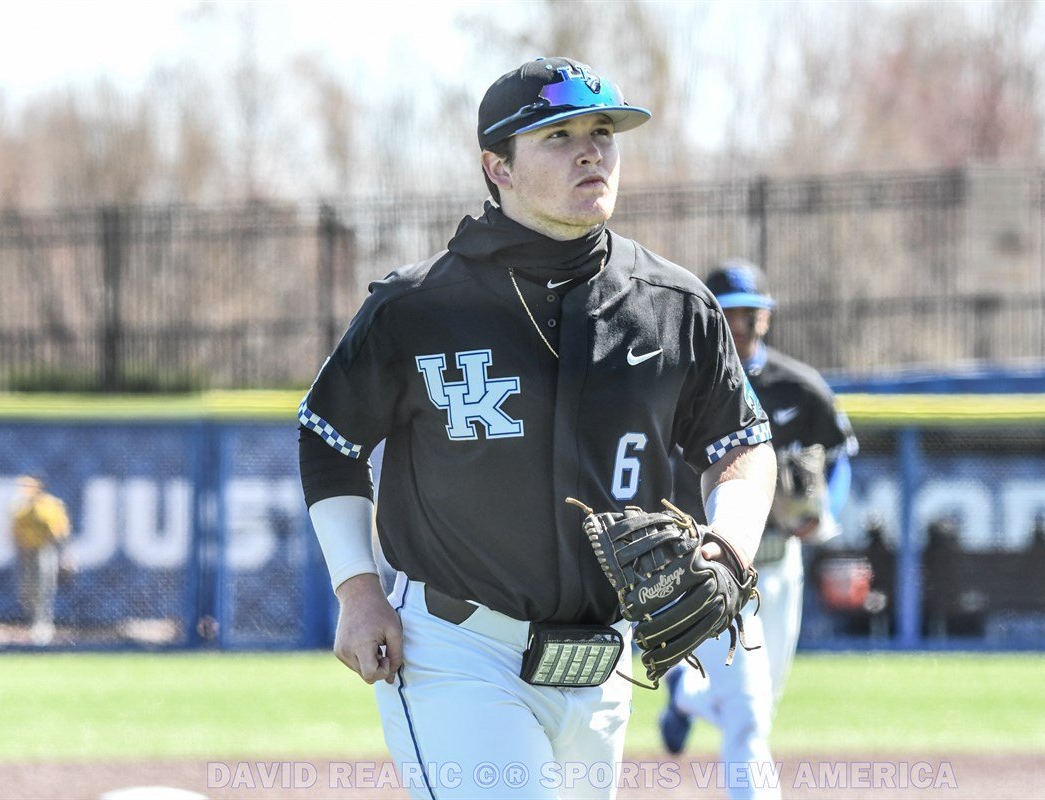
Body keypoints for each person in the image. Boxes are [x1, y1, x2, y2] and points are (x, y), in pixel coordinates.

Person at [297, 58, 776, 800]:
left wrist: (731, 545)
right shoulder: (416, 308)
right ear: (499, 167)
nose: (591, 152)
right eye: (558, 136)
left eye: (603, 132)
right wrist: (358, 589)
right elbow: (329, 441)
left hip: (604, 668)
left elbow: (740, 444)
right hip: (458, 653)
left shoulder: (674, 306)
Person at [659, 260, 856, 800]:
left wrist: (825, 513)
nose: (741, 325)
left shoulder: (798, 387)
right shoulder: (680, 383)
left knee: (761, 705)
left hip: (778, 563)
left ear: (767, 318)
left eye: (751, 313)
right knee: (747, 716)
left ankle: (686, 695)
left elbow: (840, 455)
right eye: (730, 314)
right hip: (711, 568)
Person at [10, 475, 72, 645]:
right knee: (27, 589)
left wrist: (66, 555)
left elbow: (62, 532)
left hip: (45, 550)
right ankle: (31, 622)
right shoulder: (20, 507)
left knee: (44, 587)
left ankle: (42, 625)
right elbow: (14, 532)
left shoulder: (51, 505)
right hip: (26, 552)